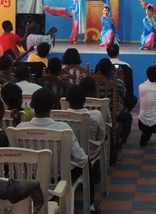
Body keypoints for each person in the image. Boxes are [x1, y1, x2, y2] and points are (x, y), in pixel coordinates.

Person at [17, 88, 87, 168]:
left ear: (31, 105)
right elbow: (81, 158)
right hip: (59, 175)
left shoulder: (19, 128)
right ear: (52, 106)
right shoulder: (63, 128)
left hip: (28, 175)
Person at [66, 84, 105, 214]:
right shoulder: (95, 115)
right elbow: (102, 136)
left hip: (66, 157)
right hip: (89, 154)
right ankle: (91, 206)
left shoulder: (59, 117)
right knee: (88, 164)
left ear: (67, 100)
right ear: (84, 100)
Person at [43, 0, 109, 44]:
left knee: (75, 26)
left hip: (78, 15)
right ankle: (48, 8)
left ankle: (73, 39)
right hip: (71, 10)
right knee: (61, 9)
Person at [106, 43, 137, 111]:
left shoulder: (102, 65)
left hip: (104, 99)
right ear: (118, 53)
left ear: (108, 53)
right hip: (123, 99)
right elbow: (129, 87)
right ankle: (125, 110)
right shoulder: (126, 67)